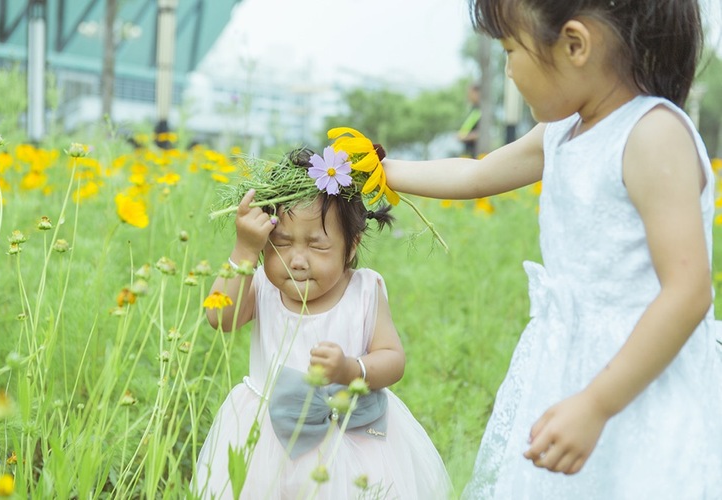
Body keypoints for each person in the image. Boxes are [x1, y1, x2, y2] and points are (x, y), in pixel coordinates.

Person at [383, 0, 722, 498]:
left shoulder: (652, 135)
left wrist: (598, 404)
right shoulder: (563, 130)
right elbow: (476, 174)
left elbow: (688, 293)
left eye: (511, 49)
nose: (508, 68)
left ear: (574, 45)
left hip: (638, 380)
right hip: (565, 365)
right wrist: (380, 171)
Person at [194, 148, 452, 499]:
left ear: (351, 246)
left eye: (317, 246)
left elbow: (392, 359)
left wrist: (351, 368)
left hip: (351, 440)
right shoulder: (262, 286)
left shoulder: (364, 290)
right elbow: (218, 317)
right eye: (281, 243)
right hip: (267, 435)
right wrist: (243, 250)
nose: (297, 260)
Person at [458, 83, 482, 158]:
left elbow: (481, 133)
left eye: (470, 93)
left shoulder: (482, 110)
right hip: (468, 151)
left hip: (477, 153)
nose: (468, 96)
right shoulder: (473, 109)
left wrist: (465, 137)